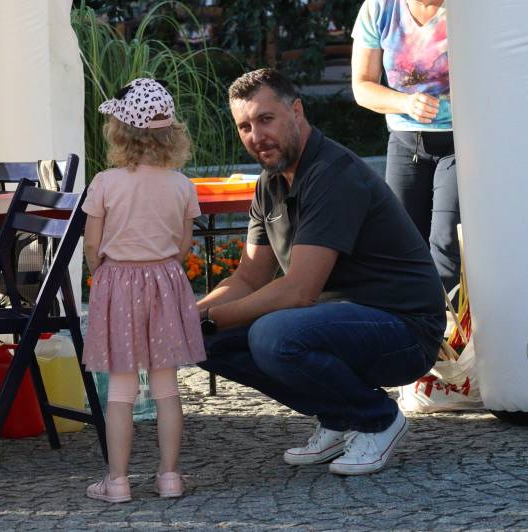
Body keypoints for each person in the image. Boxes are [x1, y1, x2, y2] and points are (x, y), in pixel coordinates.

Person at [197, 68, 445, 475]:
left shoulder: (333, 174)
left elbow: (298, 291)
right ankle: (339, 415)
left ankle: (377, 418)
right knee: (202, 342)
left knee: (273, 335)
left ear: (296, 111)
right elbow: (248, 279)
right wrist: (189, 318)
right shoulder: (269, 183)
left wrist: (209, 318)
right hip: (339, 322)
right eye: (244, 126)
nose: (256, 136)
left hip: (406, 329)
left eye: (265, 119)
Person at [82, 78, 206, 503]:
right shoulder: (182, 186)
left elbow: (92, 246)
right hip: (165, 283)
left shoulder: (105, 183)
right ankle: (169, 476)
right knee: (167, 387)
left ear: (120, 131)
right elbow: (184, 244)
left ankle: (117, 481)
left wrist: (103, 274)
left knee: (121, 390)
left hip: (118, 282)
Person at [351, 0, 460, 293]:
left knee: (446, 241)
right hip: (405, 142)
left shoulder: (469, 9)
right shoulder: (379, 8)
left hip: (459, 142)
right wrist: (407, 103)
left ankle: (445, 318)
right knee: (401, 243)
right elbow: (362, 86)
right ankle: (408, 316)